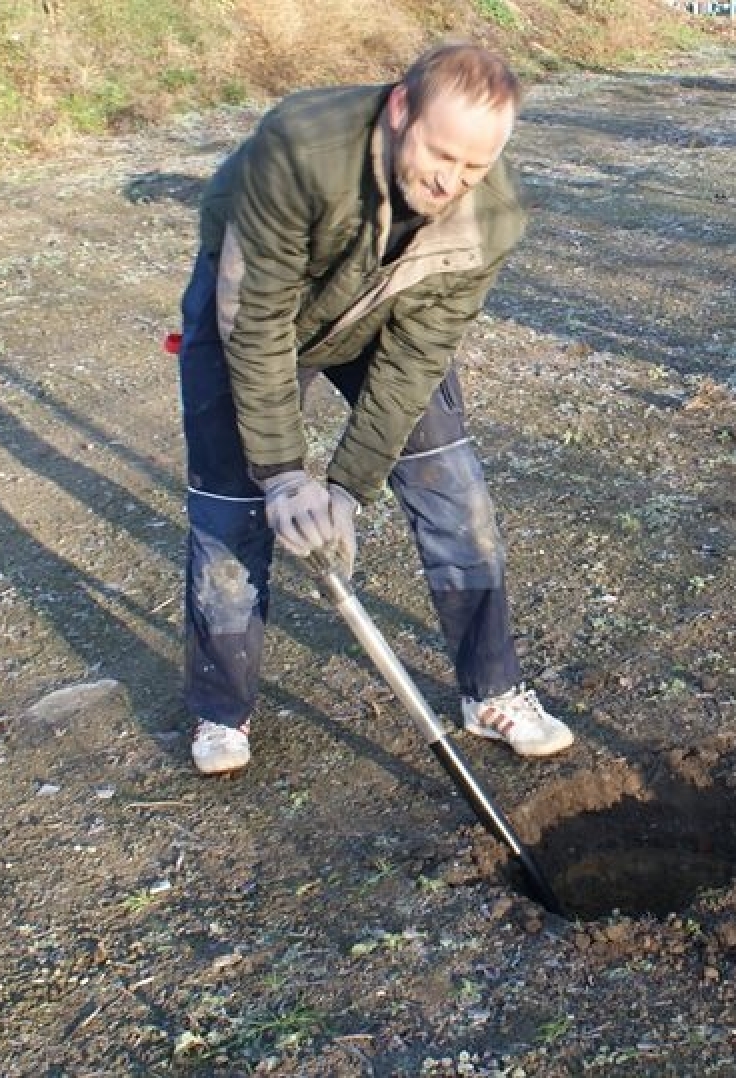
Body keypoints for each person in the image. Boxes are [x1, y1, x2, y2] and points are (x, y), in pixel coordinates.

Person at [173, 43, 574, 775]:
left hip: (382, 314)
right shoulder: (301, 147)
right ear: (399, 110)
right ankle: (220, 710)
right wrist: (286, 476)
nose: (452, 181)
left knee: (452, 485)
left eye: (474, 168)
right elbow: (256, 321)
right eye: (441, 154)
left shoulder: (492, 217)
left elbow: (414, 360)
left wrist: (348, 489)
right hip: (255, 314)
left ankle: (491, 690)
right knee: (233, 507)